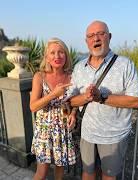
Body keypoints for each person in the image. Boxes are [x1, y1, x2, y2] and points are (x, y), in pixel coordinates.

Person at [67, 20, 138, 180]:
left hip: (114, 137)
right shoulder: (79, 67)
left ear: (109, 37)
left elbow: (136, 101)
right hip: (87, 134)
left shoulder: (125, 65)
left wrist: (101, 97)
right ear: (86, 41)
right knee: (87, 172)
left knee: (109, 176)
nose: (96, 38)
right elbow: (70, 101)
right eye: (91, 35)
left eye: (101, 33)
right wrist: (86, 97)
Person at [30, 38, 77, 180]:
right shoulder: (40, 76)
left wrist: (73, 113)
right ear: (47, 57)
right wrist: (53, 94)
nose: (57, 56)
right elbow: (33, 106)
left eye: (61, 52)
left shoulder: (72, 76)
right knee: (42, 172)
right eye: (52, 53)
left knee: (60, 171)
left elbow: (74, 102)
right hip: (44, 131)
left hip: (63, 129)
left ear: (66, 55)